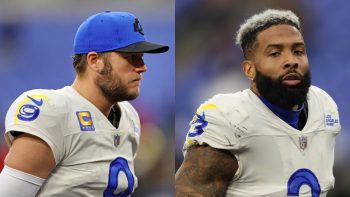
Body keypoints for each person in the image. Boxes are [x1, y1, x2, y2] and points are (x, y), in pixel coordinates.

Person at [0, 11, 169, 196]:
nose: (142, 66)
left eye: (142, 56)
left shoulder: (129, 117)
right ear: (95, 61)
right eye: (130, 57)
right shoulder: (54, 111)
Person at [175, 9, 341, 196]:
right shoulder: (230, 117)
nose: (291, 61)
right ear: (249, 70)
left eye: (298, 51)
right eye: (275, 53)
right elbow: (189, 190)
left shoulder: (324, 105)